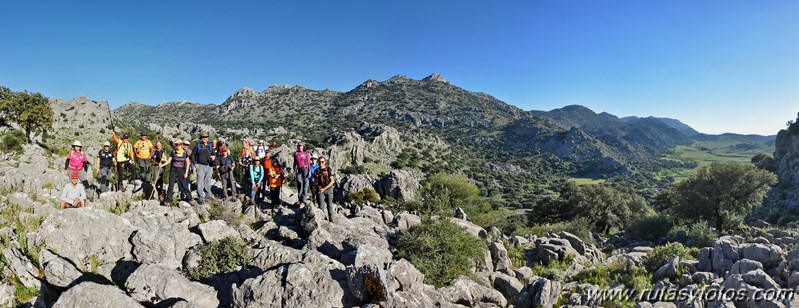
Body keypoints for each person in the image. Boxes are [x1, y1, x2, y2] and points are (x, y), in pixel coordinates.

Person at [163, 139, 192, 206]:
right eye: (176, 144)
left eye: (179, 144)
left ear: (182, 145)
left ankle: (190, 199)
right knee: (171, 185)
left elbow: (188, 163)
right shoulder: (173, 152)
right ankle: (168, 201)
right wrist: (162, 165)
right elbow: (168, 161)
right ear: (175, 145)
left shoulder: (185, 153)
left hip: (181, 170)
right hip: (173, 170)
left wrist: (186, 172)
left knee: (184, 185)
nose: (178, 146)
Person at [192, 133, 215, 204]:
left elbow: (213, 154)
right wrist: (195, 163)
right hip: (200, 165)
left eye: (206, 137)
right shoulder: (198, 146)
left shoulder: (210, 146)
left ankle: (208, 194)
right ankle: (201, 196)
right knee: (200, 181)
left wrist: (214, 157)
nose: (204, 138)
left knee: (207, 181)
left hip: (209, 166)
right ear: (201, 138)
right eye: (203, 137)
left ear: (207, 138)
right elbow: (192, 155)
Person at [313, 156, 335, 221]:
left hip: (328, 189)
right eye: (319, 162)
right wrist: (314, 191)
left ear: (325, 162)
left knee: (329, 205)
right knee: (321, 206)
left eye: (322, 162)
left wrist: (324, 188)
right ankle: (322, 220)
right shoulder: (316, 171)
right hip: (320, 190)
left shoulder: (328, 169)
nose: (321, 163)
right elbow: (314, 181)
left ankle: (331, 220)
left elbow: (332, 181)